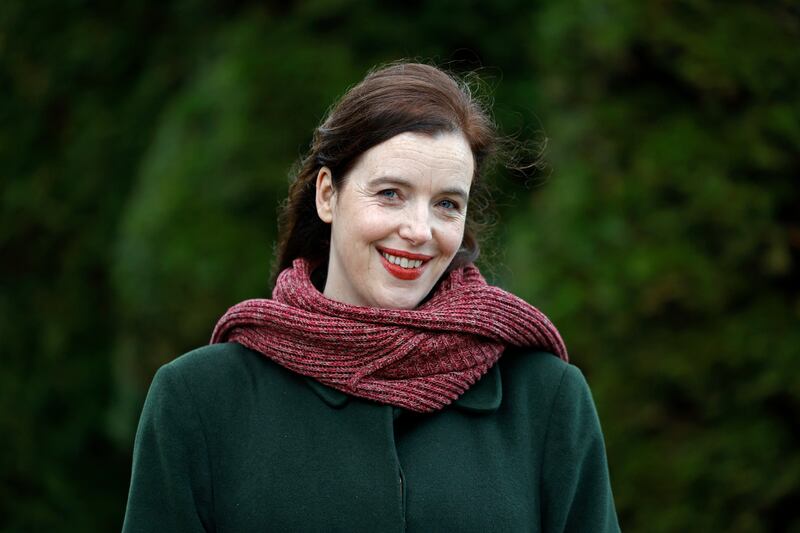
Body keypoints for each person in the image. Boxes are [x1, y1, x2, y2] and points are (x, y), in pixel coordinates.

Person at [122, 62, 620, 532]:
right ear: (327, 195)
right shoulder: (200, 400)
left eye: (447, 204)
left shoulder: (545, 398)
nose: (419, 230)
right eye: (390, 194)